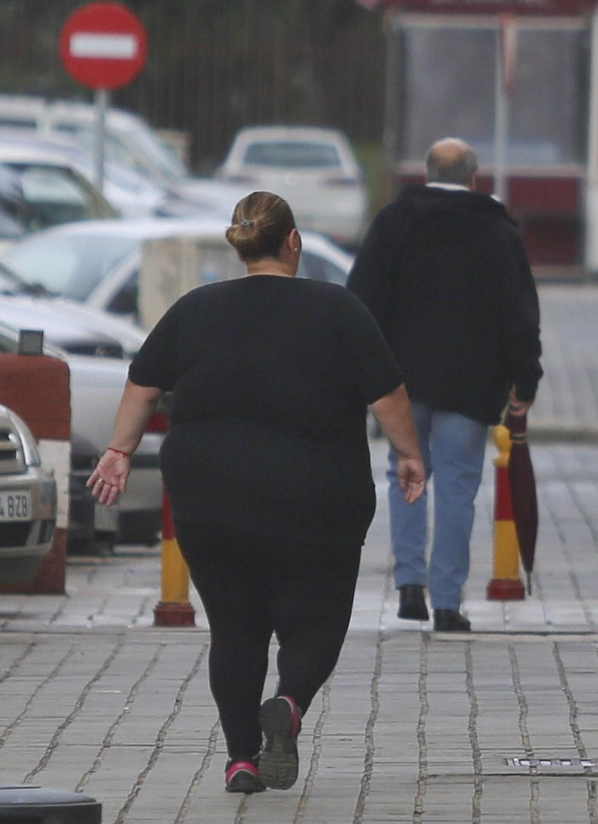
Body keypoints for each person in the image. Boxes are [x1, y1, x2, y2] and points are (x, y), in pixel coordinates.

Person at [88, 192, 426, 796]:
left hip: (210, 498)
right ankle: (290, 703)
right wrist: (409, 454)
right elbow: (387, 396)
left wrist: (118, 450)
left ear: (239, 244)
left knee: (235, 628)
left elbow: (142, 385)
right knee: (318, 616)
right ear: (293, 241)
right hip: (316, 498)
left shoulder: (195, 309)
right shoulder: (337, 308)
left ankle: (241, 760)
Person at [347, 137, 542, 633]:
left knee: (405, 474)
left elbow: (360, 298)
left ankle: (410, 584)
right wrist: (525, 379)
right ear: (474, 179)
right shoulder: (497, 232)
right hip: (472, 385)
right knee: (458, 487)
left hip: (401, 383)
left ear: (427, 172)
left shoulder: (393, 222)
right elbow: (520, 313)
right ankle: (448, 603)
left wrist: (359, 370)